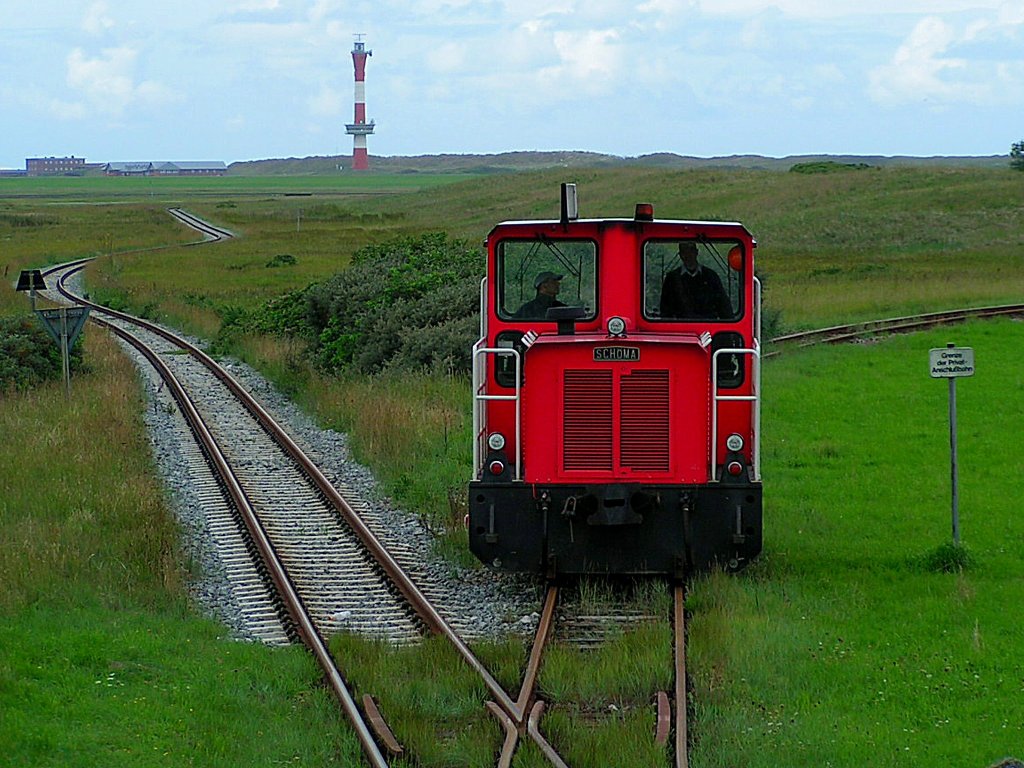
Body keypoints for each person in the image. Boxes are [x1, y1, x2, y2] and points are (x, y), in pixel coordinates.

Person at [659, 242, 732, 319]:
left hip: (708, 325)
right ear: (680, 255)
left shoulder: (711, 276)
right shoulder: (671, 279)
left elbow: (723, 304)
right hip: (681, 325)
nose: (688, 255)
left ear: (696, 252)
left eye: (691, 250)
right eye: (684, 251)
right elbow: (665, 309)